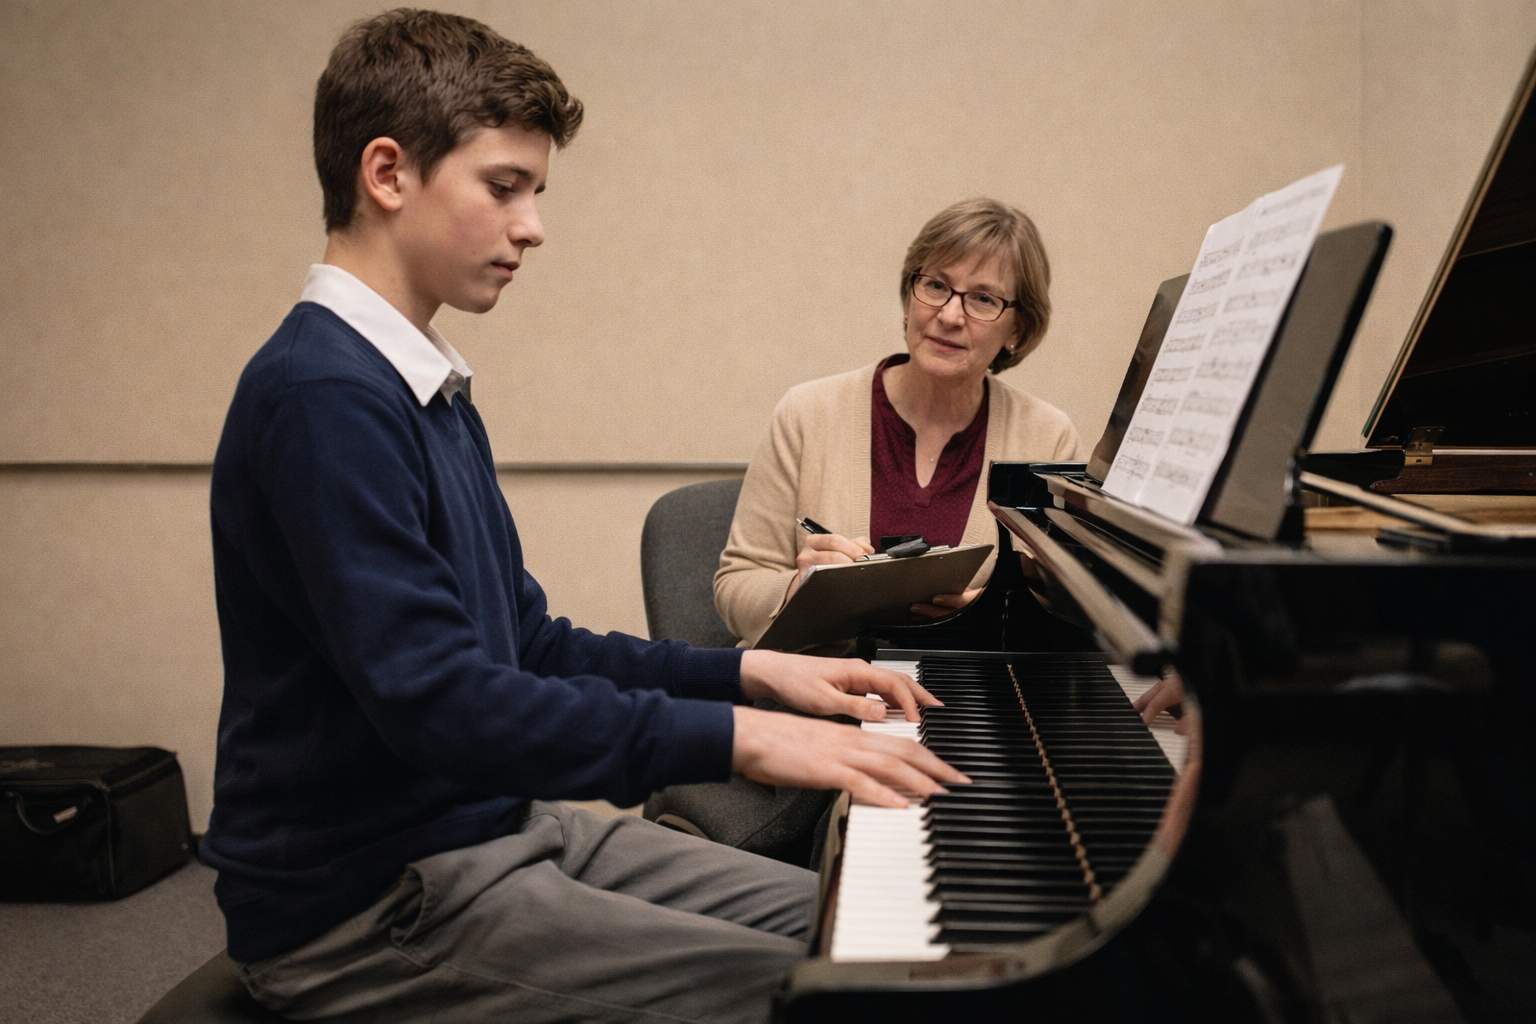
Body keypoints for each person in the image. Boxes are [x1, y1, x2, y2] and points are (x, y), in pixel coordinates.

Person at [200, 11, 964, 1023]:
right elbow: (447, 705)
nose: (533, 226)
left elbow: (528, 645)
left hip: (500, 830)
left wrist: (753, 673)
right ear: (387, 174)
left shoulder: (423, 389)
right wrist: (747, 739)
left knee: (880, 933)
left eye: (536, 193)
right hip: (367, 903)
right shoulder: (323, 396)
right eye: (504, 187)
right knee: (852, 995)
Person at [715, 198, 1082, 646]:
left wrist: (996, 614)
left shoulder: (1049, 438)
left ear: (1017, 331)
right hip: (818, 698)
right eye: (935, 285)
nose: (949, 315)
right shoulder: (807, 413)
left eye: (983, 299)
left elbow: (1070, 605)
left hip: (966, 704)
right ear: (909, 296)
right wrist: (798, 590)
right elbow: (736, 585)